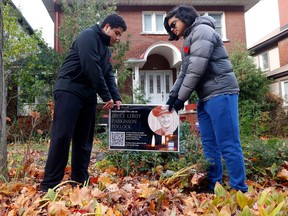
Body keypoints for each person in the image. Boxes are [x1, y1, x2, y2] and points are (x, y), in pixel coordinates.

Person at [164, 5, 248, 193]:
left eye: (173, 23)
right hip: (207, 97)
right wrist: (172, 97)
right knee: (209, 145)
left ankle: (240, 191)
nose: (172, 29)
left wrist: (181, 100)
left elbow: (196, 70)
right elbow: (185, 71)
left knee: (228, 144)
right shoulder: (190, 37)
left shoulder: (202, 31)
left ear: (184, 17)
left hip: (222, 93)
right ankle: (214, 187)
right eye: (169, 27)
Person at [41, 14, 127, 192]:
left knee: (84, 139)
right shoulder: (88, 36)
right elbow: (91, 67)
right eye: (117, 33)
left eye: (120, 35)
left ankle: (80, 180)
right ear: (107, 27)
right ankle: (50, 185)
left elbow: (108, 74)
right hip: (69, 89)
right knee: (62, 136)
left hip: (87, 95)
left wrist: (116, 97)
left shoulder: (106, 50)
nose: (118, 38)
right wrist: (106, 96)